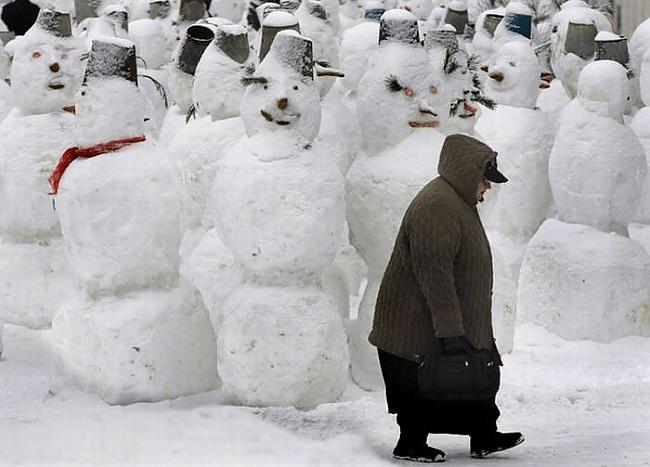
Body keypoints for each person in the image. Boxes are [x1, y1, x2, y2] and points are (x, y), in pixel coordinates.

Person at [369, 134, 524, 463]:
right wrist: (450, 330)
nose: (488, 188)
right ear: (468, 175)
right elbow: (435, 275)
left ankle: (484, 435)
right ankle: (410, 443)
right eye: (485, 180)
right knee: (422, 385)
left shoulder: (457, 201)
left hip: (446, 320)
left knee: (474, 376)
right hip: (413, 326)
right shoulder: (438, 206)